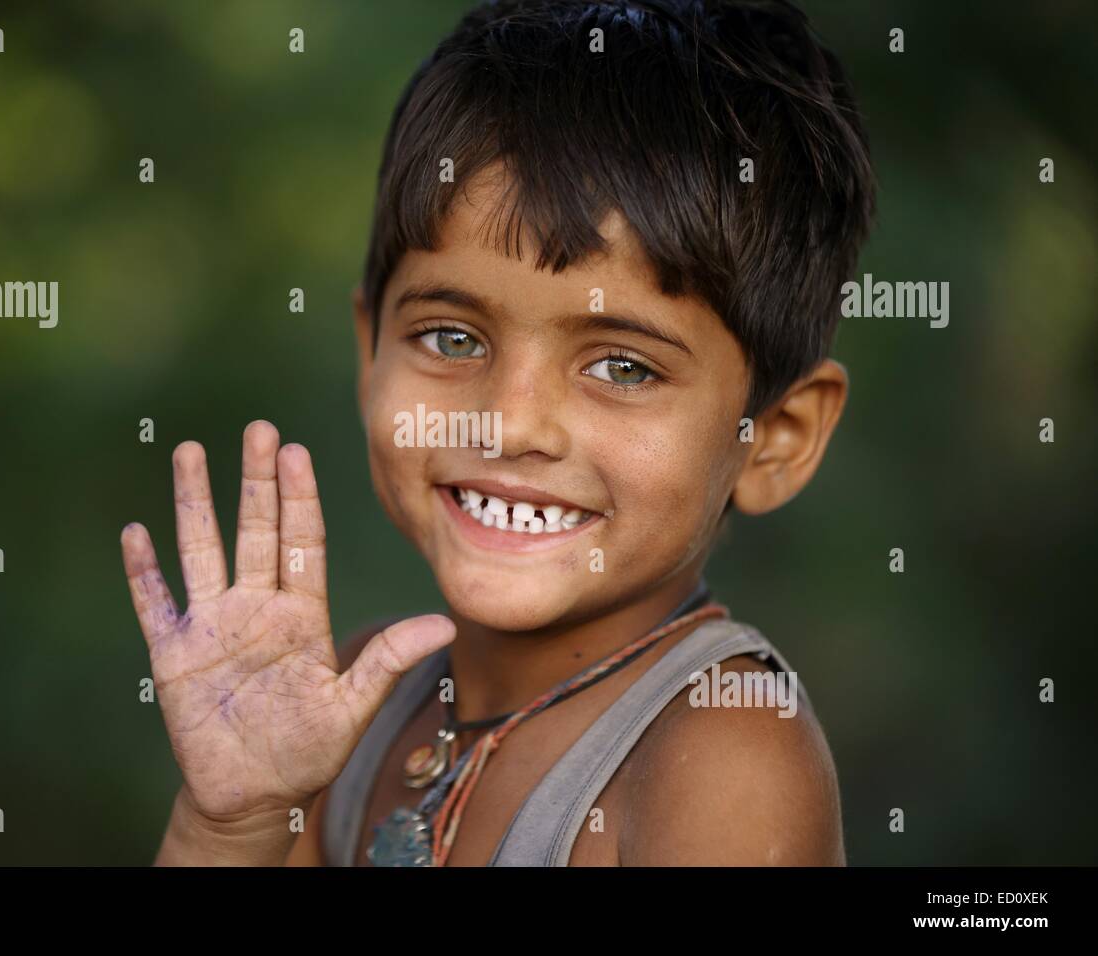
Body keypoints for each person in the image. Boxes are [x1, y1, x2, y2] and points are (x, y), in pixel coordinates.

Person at [120, 0, 874, 866]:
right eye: (451, 338)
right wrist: (231, 826)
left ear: (777, 437)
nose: (509, 423)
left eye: (623, 367)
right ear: (371, 352)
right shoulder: (360, 696)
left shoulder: (724, 758)